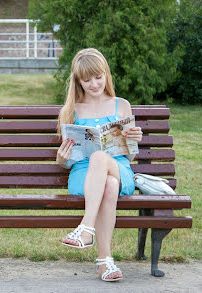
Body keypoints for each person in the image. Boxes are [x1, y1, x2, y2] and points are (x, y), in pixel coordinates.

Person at [55, 48, 143, 282]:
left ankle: (86, 229)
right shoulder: (71, 111)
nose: (94, 84)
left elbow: (130, 158)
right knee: (109, 185)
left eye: (99, 77)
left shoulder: (121, 105)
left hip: (119, 167)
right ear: (78, 81)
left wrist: (134, 141)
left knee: (101, 160)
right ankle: (105, 263)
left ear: (106, 74)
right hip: (84, 175)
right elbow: (66, 162)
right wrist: (62, 158)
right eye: (87, 80)